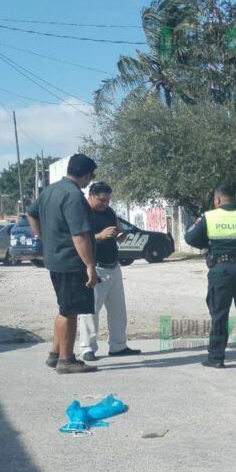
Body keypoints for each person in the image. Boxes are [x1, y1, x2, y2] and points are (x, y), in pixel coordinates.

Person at [26, 153, 99, 373]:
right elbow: (79, 235)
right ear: (86, 175)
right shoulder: (73, 196)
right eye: (91, 176)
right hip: (71, 262)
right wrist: (90, 265)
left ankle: (55, 353)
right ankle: (67, 360)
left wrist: (43, 237)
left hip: (55, 259)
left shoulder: (50, 190)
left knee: (64, 308)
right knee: (71, 311)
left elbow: (31, 214)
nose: (90, 180)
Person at [184, 184, 236, 368]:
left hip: (220, 270)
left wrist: (208, 243)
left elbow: (190, 238)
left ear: (217, 200)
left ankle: (216, 358)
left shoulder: (209, 217)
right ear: (234, 198)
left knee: (219, 314)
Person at [76, 182, 141, 361]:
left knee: (118, 310)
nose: (105, 204)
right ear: (91, 195)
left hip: (113, 266)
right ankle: (87, 348)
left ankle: (118, 345)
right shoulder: (83, 213)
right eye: (101, 200)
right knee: (91, 311)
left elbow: (120, 231)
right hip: (95, 267)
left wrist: (121, 235)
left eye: (108, 200)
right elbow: (79, 239)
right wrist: (99, 236)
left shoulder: (109, 212)